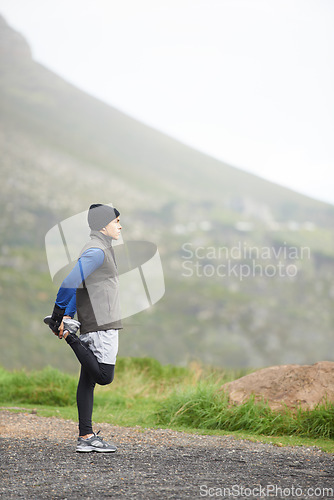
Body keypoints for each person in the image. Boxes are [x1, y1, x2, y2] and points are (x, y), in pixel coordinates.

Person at [47, 203, 122, 453]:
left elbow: (80, 285)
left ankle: (86, 437)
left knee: (88, 382)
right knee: (103, 376)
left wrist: (67, 313)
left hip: (97, 320)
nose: (120, 225)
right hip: (101, 324)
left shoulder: (99, 248)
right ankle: (70, 336)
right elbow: (70, 281)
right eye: (116, 221)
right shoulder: (97, 250)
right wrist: (60, 316)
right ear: (103, 226)